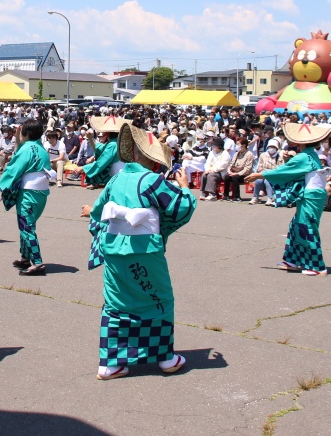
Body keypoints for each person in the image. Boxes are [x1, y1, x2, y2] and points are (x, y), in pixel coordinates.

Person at [81, 123, 195, 380]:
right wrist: (185, 188)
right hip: (145, 250)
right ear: (155, 161)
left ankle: (110, 363)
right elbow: (181, 208)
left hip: (114, 247)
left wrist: (92, 212)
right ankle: (165, 358)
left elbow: (99, 209)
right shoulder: (153, 181)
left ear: (133, 154)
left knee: (115, 303)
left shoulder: (117, 179)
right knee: (159, 299)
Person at [246, 123, 331, 276]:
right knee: (296, 226)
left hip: (311, 195)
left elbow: (284, 170)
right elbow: (293, 169)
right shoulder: (309, 155)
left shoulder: (304, 156)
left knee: (306, 227)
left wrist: (259, 175)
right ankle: (294, 260)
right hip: (313, 194)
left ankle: (317, 266)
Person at [0, 119, 53, 276]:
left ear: (26, 134)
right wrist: (17, 140)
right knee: (28, 225)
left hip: (28, 193)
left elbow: (14, 168)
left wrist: (5, 187)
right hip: (40, 193)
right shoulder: (41, 149)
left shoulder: (27, 149)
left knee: (26, 227)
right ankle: (25, 256)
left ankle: (37, 262)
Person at [67, 116, 128, 190]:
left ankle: (94, 182)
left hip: (118, 176)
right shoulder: (116, 143)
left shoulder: (113, 145)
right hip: (120, 175)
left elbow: (101, 162)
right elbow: (98, 149)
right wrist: (89, 137)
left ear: (107, 134)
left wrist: (83, 168)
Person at [250, 138, 282, 205]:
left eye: (273, 147)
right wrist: (259, 169)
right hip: (263, 173)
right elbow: (259, 165)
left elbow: (280, 167)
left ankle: (269, 198)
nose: (271, 148)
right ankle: (255, 197)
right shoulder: (263, 155)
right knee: (258, 181)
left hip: (272, 174)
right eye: (270, 147)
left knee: (267, 181)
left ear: (276, 148)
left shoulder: (279, 156)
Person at [223, 137, 254, 202]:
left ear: (244, 145)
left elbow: (247, 168)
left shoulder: (249, 154)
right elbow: (231, 164)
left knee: (235, 177)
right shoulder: (237, 154)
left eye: (238, 144)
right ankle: (226, 195)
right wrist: (229, 171)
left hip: (245, 174)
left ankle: (237, 197)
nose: (237, 146)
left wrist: (237, 173)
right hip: (235, 172)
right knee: (227, 177)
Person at [199, 137, 230, 201]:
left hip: (221, 172)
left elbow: (223, 165)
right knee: (204, 174)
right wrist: (207, 169)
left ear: (218, 146)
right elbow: (208, 162)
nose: (213, 146)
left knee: (211, 175)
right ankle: (203, 192)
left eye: (214, 145)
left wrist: (213, 170)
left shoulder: (225, 154)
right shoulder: (212, 152)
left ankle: (212, 194)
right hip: (211, 170)